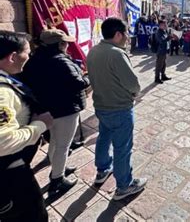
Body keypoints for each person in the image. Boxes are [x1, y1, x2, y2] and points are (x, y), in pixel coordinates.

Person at [22, 29, 90, 194]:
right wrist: (87, 78)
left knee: (55, 141)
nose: (67, 45)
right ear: (59, 45)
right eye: (65, 42)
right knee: (63, 145)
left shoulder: (33, 60)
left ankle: (59, 167)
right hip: (65, 109)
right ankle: (57, 180)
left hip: (46, 110)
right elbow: (79, 83)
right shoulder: (61, 61)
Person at [86, 18, 147, 201]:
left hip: (101, 106)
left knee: (104, 137)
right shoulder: (116, 54)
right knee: (122, 147)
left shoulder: (93, 51)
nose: (127, 37)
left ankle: (102, 170)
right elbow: (133, 84)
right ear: (118, 34)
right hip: (119, 108)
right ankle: (124, 185)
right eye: (126, 33)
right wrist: (136, 94)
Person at [0, 31, 53, 221]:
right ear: (13, 57)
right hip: (9, 170)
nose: (29, 56)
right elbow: (3, 142)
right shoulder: (2, 93)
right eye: (27, 52)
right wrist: (40, 125)